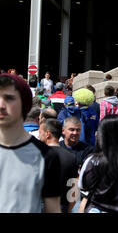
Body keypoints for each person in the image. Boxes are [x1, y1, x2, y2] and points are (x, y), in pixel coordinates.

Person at [0, 73, 61, 212]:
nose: (1, 105)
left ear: (24, 104)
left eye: (9, 98)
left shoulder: (46, 156)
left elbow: (53, 208)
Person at [38, 118, 78, 213]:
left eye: (40, 132)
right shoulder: (71, 157)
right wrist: (67, 209)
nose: (39, 136)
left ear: (48, 134)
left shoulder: (38, 155)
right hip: (61, 206)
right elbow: (74, 188)